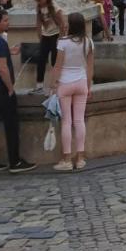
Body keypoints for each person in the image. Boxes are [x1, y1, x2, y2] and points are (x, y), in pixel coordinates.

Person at [0, 11, 37, 174]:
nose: (8, 23)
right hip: (0, 90)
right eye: (5, 20)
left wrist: (9, 52)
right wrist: (10, 87)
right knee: (11, 126)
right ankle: (15, 161)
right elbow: (2, 68)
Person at [49, 13, 94, 172]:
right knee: (79, 121)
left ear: (70, 25)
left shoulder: (62, 42)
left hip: (65, 83)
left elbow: (57, 66)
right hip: (81, 83)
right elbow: (90, 68)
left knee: (66, 122)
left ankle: (67, 159)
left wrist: (53, 85)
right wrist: (88, 87)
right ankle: (80, 158)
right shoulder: (88, 42)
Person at [31, 0, 66, 93]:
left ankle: (57, 84)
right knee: (41, 60)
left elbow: (63, 24)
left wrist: (60, 40)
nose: (38, 2)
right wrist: (40, 35)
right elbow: (38, 23)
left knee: (55, 61)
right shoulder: (39, 7)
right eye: (36, 0)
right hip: (46, 36)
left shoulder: (54, 7)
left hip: (56, 36)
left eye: (39, 0)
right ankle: (39, 85)